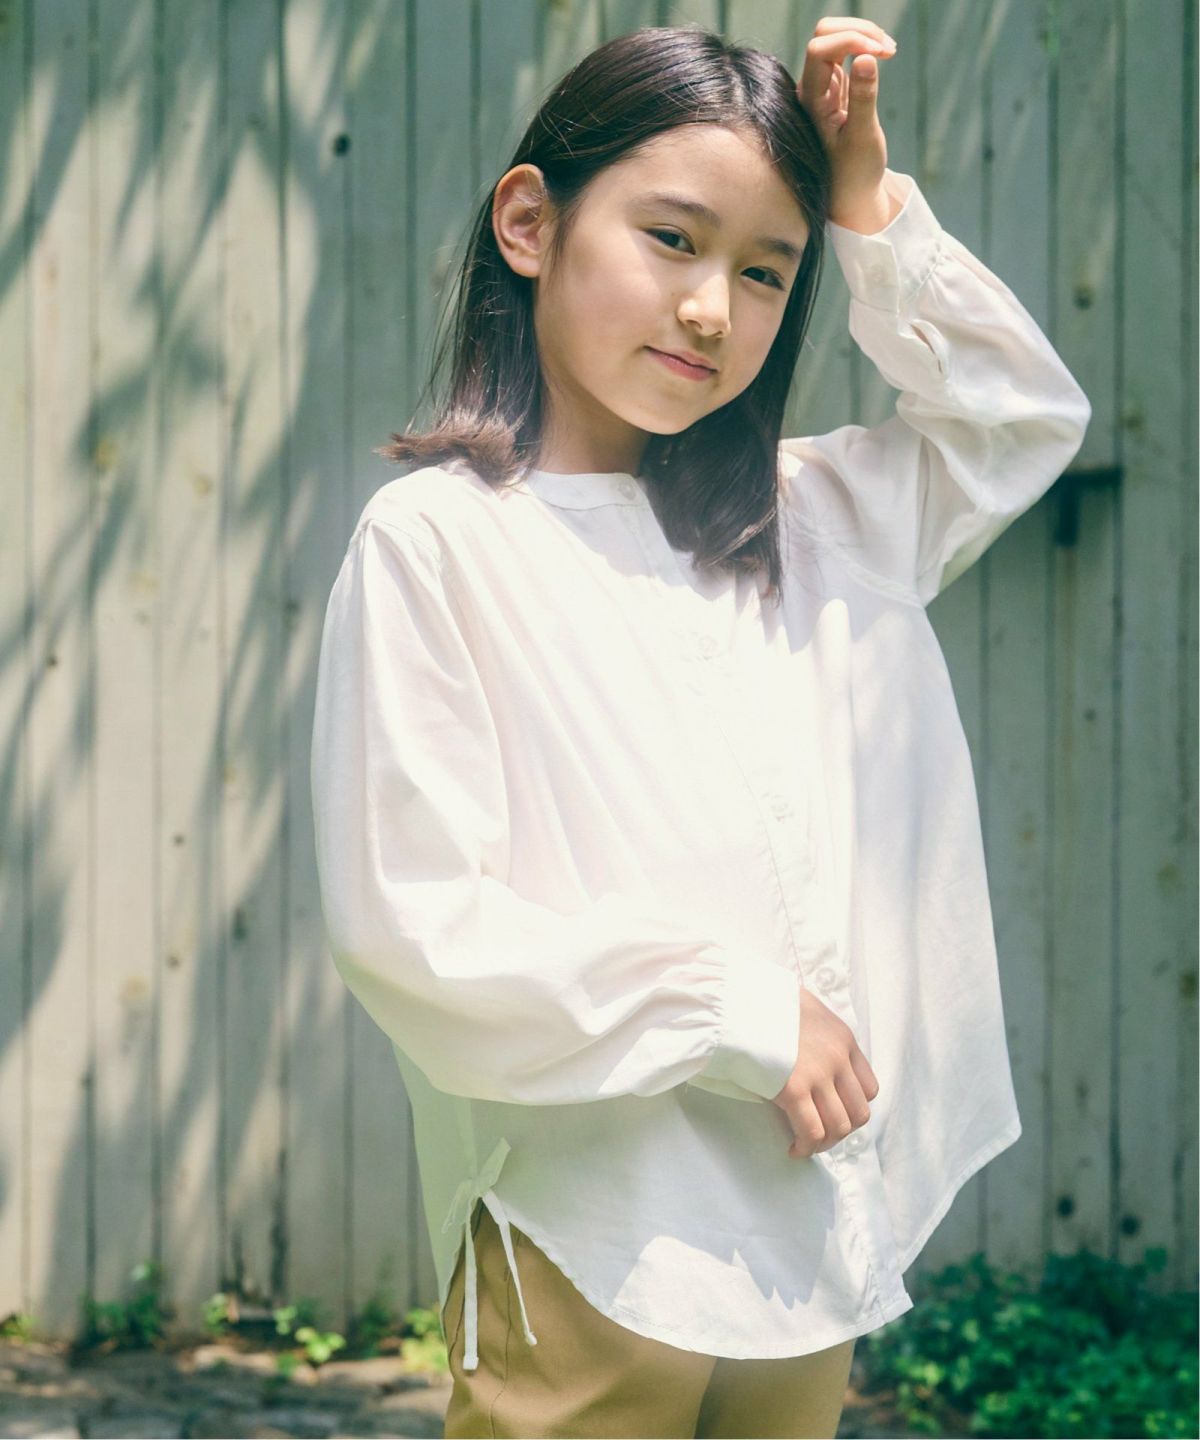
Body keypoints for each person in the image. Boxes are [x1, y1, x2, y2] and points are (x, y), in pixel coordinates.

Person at [309, 18, 1091, 1440]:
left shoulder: (817, 518)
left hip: (807, 1232)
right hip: (594, 1230)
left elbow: (1019, 418)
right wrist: (738, 1012)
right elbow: (409, 921)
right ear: (530, 223)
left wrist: (865, 207)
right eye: (672, 239)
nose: (713, 310)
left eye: (765, 271)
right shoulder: (439, 543)